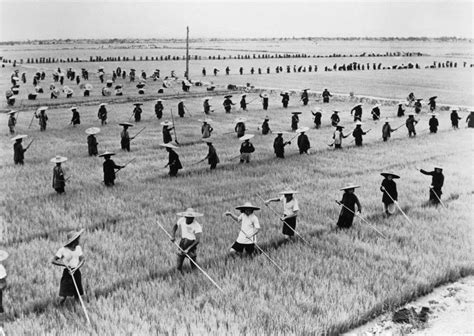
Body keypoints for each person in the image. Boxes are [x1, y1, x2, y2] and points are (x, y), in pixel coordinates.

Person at [51, 229, 85, 305]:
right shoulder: (62, 250)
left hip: (76, 272)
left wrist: (76, 268)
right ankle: (58, 308)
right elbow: (53, 260)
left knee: (77, 294)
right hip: (67, 273)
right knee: (63, 296)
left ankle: (77, 309)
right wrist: (64, 265)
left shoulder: (78, 248)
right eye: (77, 239)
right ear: (74, 241)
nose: (79, 241)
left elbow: (82, 260)